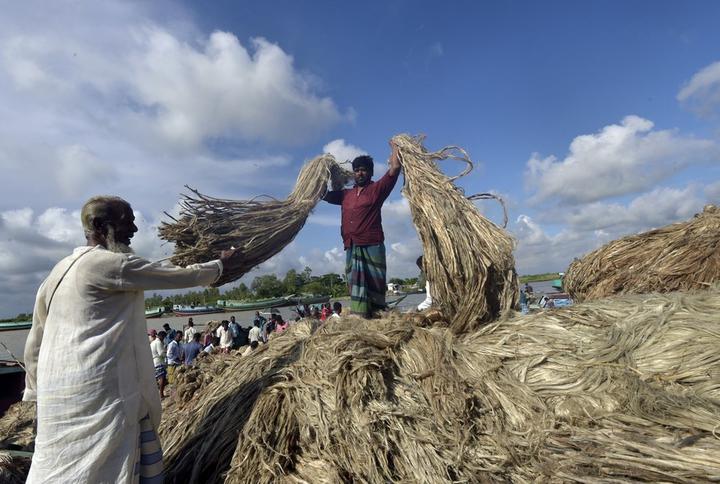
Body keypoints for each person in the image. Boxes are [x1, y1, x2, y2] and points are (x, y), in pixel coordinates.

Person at [22, 195, 244, 483]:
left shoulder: (55, 274)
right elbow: (174, 276)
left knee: (59, 467)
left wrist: (34, 391)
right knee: (111, 467)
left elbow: (34, 344)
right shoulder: (108, 264)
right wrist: (220, 265)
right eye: (128, 222)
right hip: (101, 396)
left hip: (59, 402)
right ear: (101, 226)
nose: (135, 230)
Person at [323, 141, 402, 318]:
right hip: (351, 245)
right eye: (357, 169)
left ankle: (377, 315)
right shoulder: (346, 195)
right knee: (355, 283)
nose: (360, 172)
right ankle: (360, 317)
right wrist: (321, 172)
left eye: (364, 169)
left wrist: (395, 147)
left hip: (372, 243)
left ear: (370, 172)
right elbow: (324, 195)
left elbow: (395, 169)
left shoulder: (376, 190)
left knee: (374, 283)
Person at [149, 329, 167, 399]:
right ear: (162, 336)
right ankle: (161, 394)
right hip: (159, 361)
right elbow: (161, 353)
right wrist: (165, 352)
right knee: (162, 378)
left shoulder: (152, 343)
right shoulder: (158, 342)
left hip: (154, 362)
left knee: (158, 378)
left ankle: (158, 394)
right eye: (164, 337)